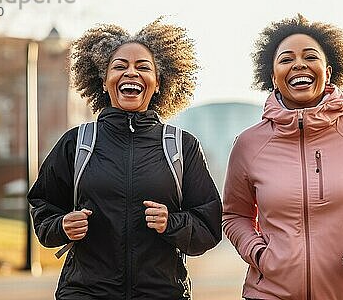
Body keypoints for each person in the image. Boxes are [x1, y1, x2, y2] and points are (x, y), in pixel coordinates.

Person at [222, 14, 343, 300]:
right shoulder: (249, 144)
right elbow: (234, 215)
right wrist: (259, 254)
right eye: (286, 59)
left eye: (310, 56)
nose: (298, 64)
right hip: (268, 293)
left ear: (328, 71)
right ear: (273, 77)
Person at [27, 19, 222, 300]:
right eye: (119, 66)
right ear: (104, 82)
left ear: (158, 84)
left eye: (143, 67)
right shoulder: (78, 142)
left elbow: (208, 225)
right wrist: (61, 225)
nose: (131, 72)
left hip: (161, 293)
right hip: (86, 292)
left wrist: (172, 223)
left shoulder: (181, 146)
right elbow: (43, 204)